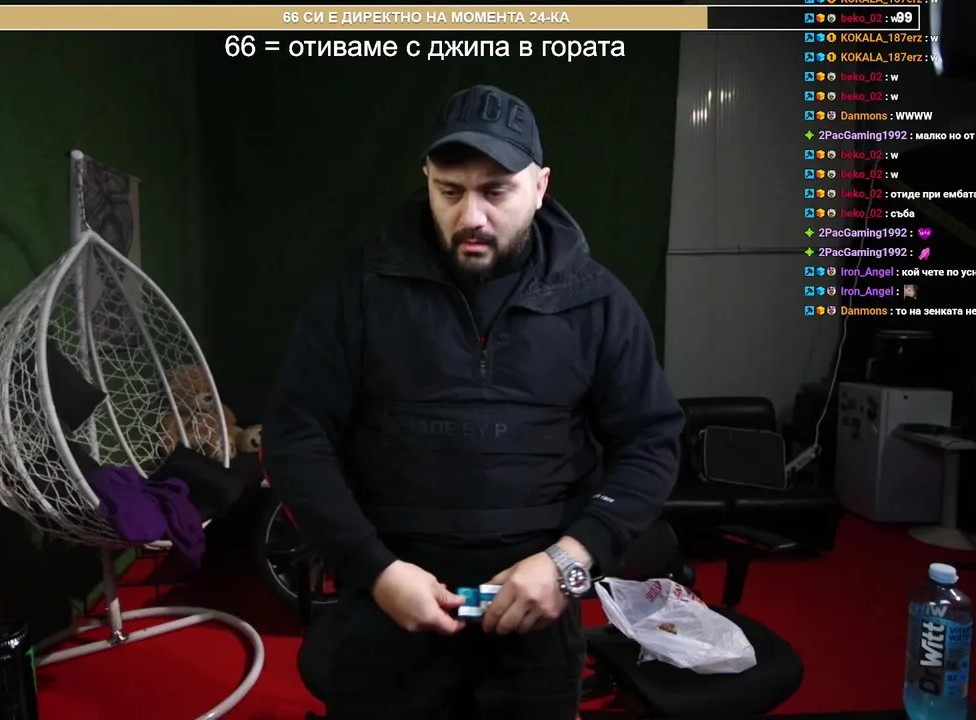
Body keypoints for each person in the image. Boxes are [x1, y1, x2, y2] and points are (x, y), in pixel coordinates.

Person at [263, 85, 685, 719]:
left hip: (536, 623)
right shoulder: (357, 293)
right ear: (427, 182)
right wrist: (373, 570)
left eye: (496, 191)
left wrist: (568, 565)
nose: (472, 217)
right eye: (450, 191)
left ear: (540, 187)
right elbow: (295, 437)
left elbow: (651, 442)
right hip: (388, 614)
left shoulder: (599, 304)